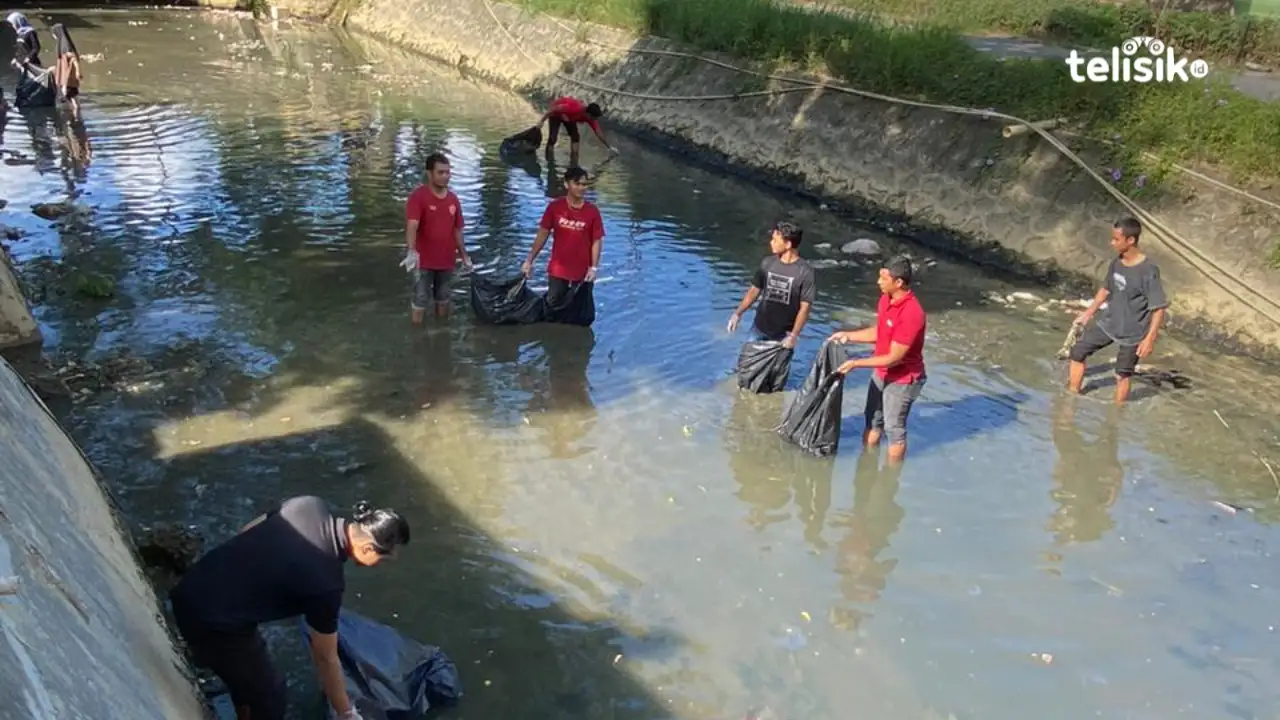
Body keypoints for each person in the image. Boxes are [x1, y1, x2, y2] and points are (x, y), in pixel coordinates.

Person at [168, 496, 410, 720]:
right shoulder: (326, 584)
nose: (381, 566)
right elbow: (325, 657)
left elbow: (247, 531)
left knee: (248, 673)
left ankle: (227, 681)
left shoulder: (308, 505)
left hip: (192, 586)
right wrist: (346, 713)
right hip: (210, 621)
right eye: (384, 559)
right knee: (270, 701)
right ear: (368, 548)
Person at [828, 255, 927, 464]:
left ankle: (889, 480)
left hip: (903, 378)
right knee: (872, 421)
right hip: (881, 371)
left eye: (883, 278)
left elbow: (894, 358)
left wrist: (856, 363)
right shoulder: (885, 300)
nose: (878, 282)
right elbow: (880, 332)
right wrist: (848, 336)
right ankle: (866, 469)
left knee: (894, 429)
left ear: (898, 282)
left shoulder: (912, 313)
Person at [1067, 216, 1168, 405]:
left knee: (1122, 374)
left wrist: (1149, 339)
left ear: (1130, 240)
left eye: (1116, 239)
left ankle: (1116, 412)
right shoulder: (1117, 263)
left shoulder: (1148, 270)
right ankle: (1072, 397)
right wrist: (1088, 313)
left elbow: (1159, 308)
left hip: (1133, 333)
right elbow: (1106, 289)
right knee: (1077, 352)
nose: (1111, 243)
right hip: (1109, 323)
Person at [400, 152, 472, 323]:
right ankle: (417, 338)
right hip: (422, 260)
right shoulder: (418, 197)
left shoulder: (453, 199)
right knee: (420, 299)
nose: (445, 176)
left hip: (446, 260)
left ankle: (441, 334)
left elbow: (457, 230)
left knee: (444, 298)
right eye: (440, 172)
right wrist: (411, 251)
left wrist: (464, 256)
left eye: (447, 172)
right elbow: (412, 225)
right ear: (429, 173)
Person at [521, 166, 604, 307]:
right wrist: (529, 261)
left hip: (583, 273)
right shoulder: (555, 207)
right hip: (558, 271)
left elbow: (597, 240)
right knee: (552, 307)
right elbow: (542, 234)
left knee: (580, 310)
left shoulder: (592, 212)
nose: (581, 188)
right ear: (567, 184)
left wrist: (594, 268)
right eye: (577, 183)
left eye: (584, 184)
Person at [726, 221, 815, 349]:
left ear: (788, 244)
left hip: (784, 336)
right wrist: (737, 314)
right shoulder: (767, 263)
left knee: (776, 369)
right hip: (759, 328)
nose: (771, 243)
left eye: (775, 240)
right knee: (746, 366)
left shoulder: (805, 272)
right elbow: (753, 291)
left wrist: (794, 336)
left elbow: (805, 308)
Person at [537, 96, 617, 157]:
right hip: (556, 113)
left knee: (575, 136)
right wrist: (542, 121)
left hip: (569, 117)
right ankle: (549, 158)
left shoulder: (591, 118)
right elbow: (554, 109)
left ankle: (574, 158)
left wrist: (609, 147)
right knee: (553, 137)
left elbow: (598, 132)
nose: (594, 120)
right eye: (593, 117)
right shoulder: (575, 108)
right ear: (588, 114)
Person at [51, 23, 80, 109]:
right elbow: (62, 63)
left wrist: (78, 71)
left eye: (54, 34)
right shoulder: (63, 45)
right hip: (67, 77)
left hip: (68, 77)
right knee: (71, 96)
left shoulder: (65, 47)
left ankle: (76, 117)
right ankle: (75, 114)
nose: (54, 37)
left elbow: (73, 58)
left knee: (71, 96)